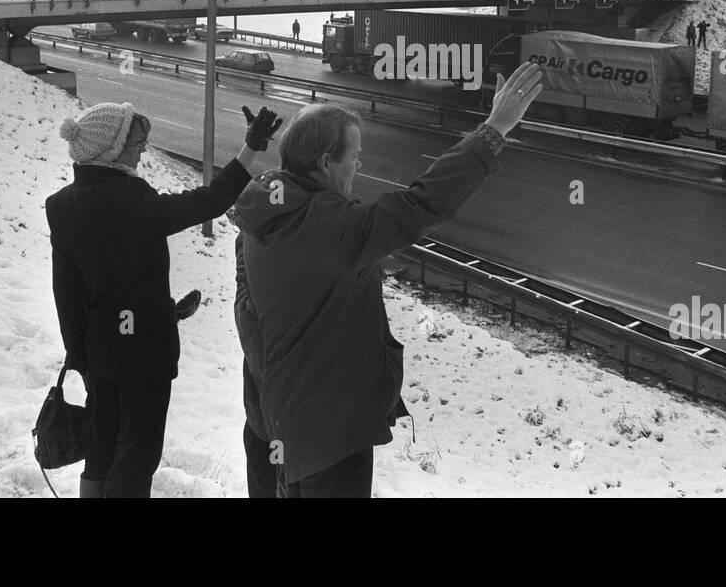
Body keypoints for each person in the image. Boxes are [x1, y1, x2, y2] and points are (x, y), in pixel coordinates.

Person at [233, 63, 543, 498]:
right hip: (328, 441)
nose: (360, 165)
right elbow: (422, 203)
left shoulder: (260, 213)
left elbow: (249, 314)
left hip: (271, 425)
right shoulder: (333, 227)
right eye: (355, 155)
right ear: (325, 162)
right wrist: (494, 130)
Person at [46, 101, 281, 498]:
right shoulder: (130, 197)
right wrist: (250, 149)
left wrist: (80, 355)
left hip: (100, 351)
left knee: (102, 446)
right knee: (137, 453)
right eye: (136, 141)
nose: (142, 148)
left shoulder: (62, 205)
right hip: (144, 356)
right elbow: (208, 201)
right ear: (112, 148)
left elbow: (66, 290)